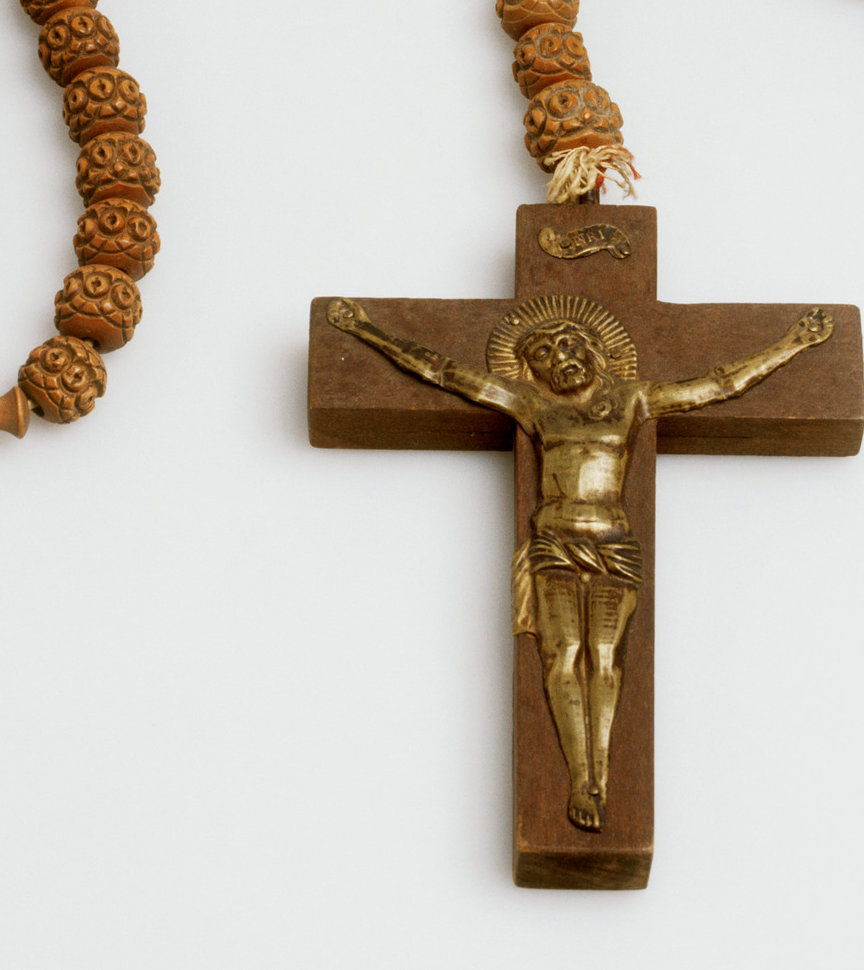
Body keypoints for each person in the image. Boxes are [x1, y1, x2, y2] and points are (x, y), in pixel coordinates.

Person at [325, 294, 834, 830]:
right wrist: (367, 330)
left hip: (613, 545)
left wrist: (793, 343)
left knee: (606, 656)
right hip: (554, 543)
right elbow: (445, 371)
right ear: (530, 368)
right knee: (563, 653)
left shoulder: (633, 399)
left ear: (594, 349)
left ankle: (603, 777)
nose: (559, 357)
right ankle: (578, 780)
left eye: (568, 343)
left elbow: (718, 385)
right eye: (542, 353)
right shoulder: (532, 404)